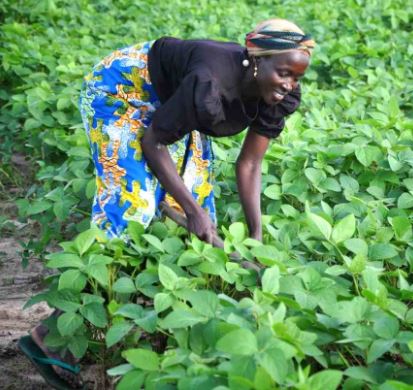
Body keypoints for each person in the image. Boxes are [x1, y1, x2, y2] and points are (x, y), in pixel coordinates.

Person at [20, 19, 315, 388]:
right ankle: (50, 336)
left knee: (201, 197)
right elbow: (153, 142)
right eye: (284, 73)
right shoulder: (209, 81)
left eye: (297, 78)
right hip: (122, 92)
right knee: (133, 209)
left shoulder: (278, 94)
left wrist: (255, 236)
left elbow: (250, 163)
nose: (289, 85)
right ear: (256, 61)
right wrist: (189, 211)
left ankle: (178, 328)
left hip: (175, 100)